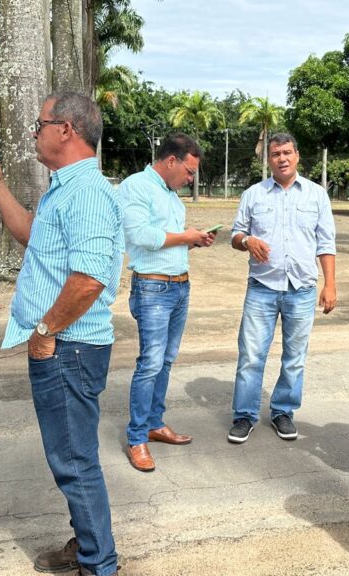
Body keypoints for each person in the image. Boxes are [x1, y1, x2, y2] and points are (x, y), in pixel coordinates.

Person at [0, 92, 122, 576]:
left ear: (66, 130)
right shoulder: (65, 188)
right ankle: (90, 545)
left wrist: (44, 330)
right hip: (64, 346)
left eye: (39, 124)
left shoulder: (87, 193)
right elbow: (30, 234)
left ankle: (98, 564)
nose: (33, 133)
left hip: (67, 347)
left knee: (74, 462)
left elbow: (89, 279)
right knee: (73, 458)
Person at [227, 133, 337, 443]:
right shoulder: (253, 195)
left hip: (301, 289)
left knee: (295, 357)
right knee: (251, 355)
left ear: (297, 155)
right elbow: (235, 235)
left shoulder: (316, 195)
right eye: (276, 154)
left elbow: (326, 243)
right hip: (261, 287)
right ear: (269, 159)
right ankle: (244, 415)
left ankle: (283, 412)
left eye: (287, 152)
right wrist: (247, 241)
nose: (282, 158)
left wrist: (330, 284)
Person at [119, 133, 216, 472]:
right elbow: (141, 236)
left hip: (179, 286)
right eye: (189, 172)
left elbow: (166, 242)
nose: (190, 179)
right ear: (171, 160)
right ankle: (136, 438)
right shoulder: (136, 187)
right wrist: (186, 236)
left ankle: (154, 423)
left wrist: (193, 241)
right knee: (150, 363)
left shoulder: (172, 197)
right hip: (153, 288)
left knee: (166, 361)